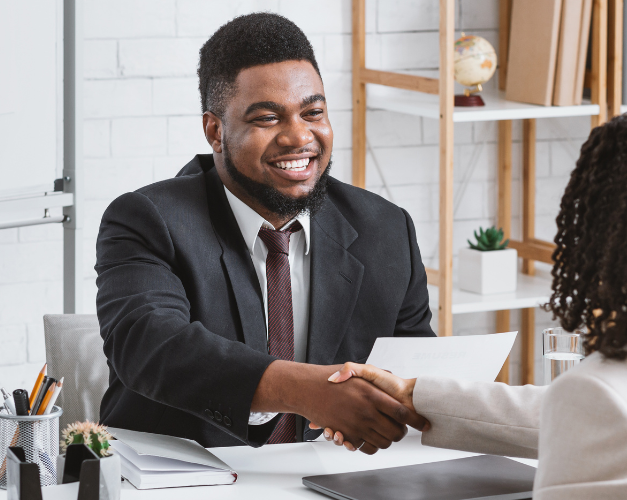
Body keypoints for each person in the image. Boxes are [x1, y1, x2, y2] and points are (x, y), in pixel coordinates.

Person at [316, 111, 627, 498]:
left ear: (606, 233)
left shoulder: (602, 395)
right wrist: (414, 394)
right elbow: (577, 414)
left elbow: (598, 412)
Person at [93, 12, 434, 452]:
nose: (298, 137)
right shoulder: (147, 219)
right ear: (216, 131)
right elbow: (152, 345)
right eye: (268, 118)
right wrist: (309, 390)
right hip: (189, 483)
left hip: (338, 479)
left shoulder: (385, 229)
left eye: (313, 112)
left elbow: (413, 371)